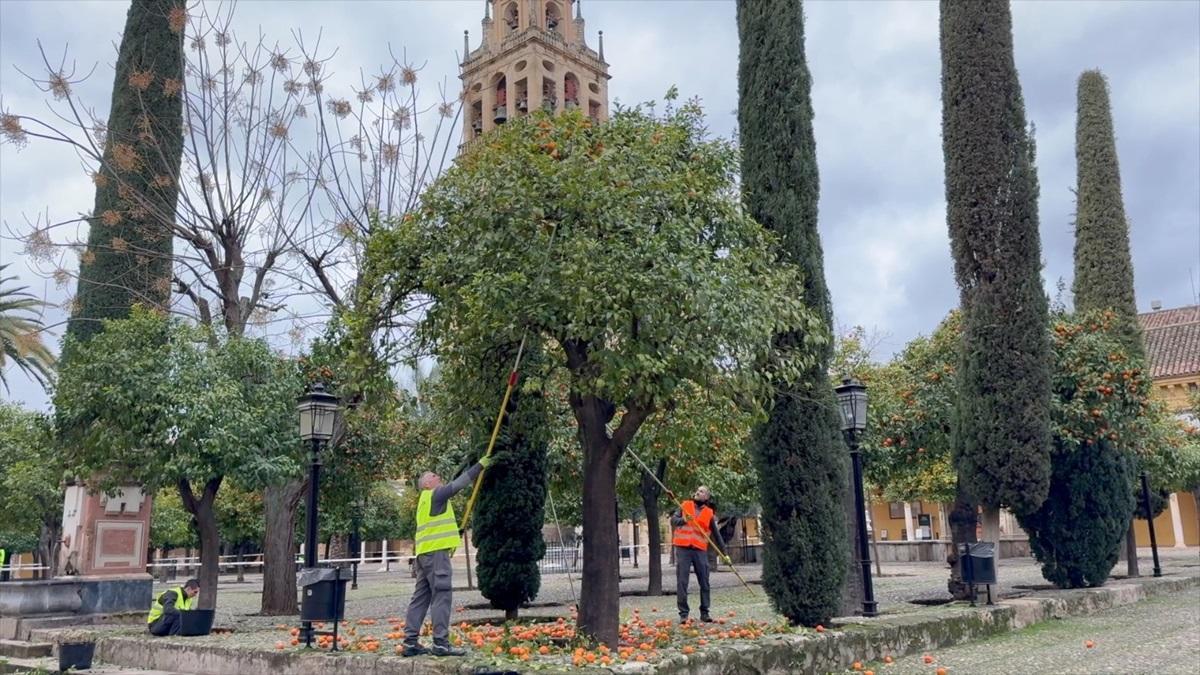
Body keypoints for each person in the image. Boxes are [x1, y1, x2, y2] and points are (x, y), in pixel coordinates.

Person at [401, 456, 493, 657]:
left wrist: (455, 532)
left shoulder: (424, 502)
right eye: (434, 475)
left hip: (424, 556)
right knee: (442, 596)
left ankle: (410, 642)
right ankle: (441, 643)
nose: (438, 477)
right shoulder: (435, 494)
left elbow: (436, 527)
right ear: (427, 483)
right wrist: (479, 466)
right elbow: (458, 484)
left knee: (420, 598)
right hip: (436, 557)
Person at [671, 486, 731, 623]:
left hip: (699, 550)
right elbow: (673, 521)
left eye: (702, 491)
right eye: (697, 490)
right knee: (682, 581)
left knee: (704, 581)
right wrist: (684, 520)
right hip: (683, 548)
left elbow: (716, 535)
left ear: (707, 497)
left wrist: (724, 554)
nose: (698, 492)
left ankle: (705, 612)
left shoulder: (709, 513)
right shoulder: (684, 505)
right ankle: (683, 614)